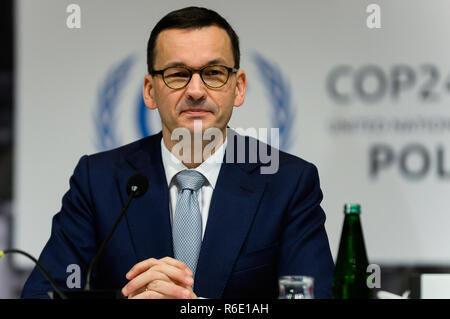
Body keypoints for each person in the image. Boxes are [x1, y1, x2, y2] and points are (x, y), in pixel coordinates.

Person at [21, 6, 334, 299]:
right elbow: (44, 294)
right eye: (177, 74)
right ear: (149, 90)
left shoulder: (287, 182)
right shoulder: (98, 180)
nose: (196, 91)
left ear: (238, 88)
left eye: (213, 73)